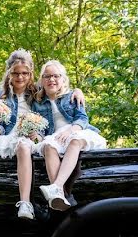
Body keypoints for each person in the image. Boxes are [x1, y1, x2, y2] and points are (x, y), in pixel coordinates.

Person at [0, 50, 84, 222]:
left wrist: (78, 90)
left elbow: (58, 91)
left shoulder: (38, 93)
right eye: (15, 73)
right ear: (9, 73)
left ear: (30, 73)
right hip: (6, 136)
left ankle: (25, 203)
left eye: (25, 73)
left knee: (23, 147)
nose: (20, 77)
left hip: (27, 138)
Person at [32, 60, 106, 210]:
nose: (51, 79)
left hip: (76, 131)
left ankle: (57, 187)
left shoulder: (72, 96)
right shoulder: (37, 103)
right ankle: (61, 196)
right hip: (56, 137)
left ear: (63, 79)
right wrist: (34, 136)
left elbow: (82, 118)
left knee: (75, 141)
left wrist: (71, 130)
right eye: (47, 76)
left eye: (55, 76)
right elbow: (40, 129)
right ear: (42, 80)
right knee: (47, 146)